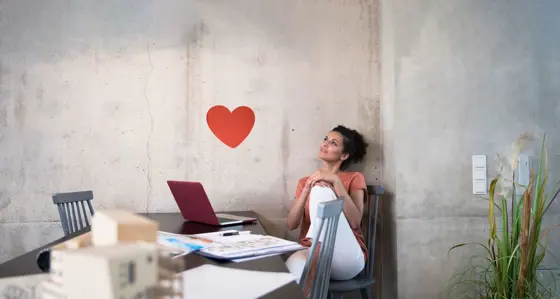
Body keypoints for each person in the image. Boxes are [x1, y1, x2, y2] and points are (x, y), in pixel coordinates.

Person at [286, 125, 369, 286]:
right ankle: (314, 265)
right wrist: (307, 189)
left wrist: (334, 181)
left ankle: (315, 256)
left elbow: (355, 222)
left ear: (344, 155)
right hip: (310, 253)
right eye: (326, 139)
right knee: (291, 274)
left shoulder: (354, 178)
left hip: (346, 257)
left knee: (321, 190)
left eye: (333, 143)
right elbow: (291, 225)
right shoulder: (305, 182)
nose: (324, 144)